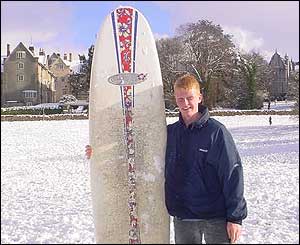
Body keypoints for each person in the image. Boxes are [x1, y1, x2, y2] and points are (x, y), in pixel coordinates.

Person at [85, 73, 247, 244]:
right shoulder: (169, 133)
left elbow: (233, 173)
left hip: (215, 216)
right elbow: (139, 150)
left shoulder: (216, 132)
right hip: (184, 217)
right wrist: (100, 152)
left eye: (190, 98)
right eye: (180, 99)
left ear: (199, 97)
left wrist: (235, 218)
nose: (185, 103)